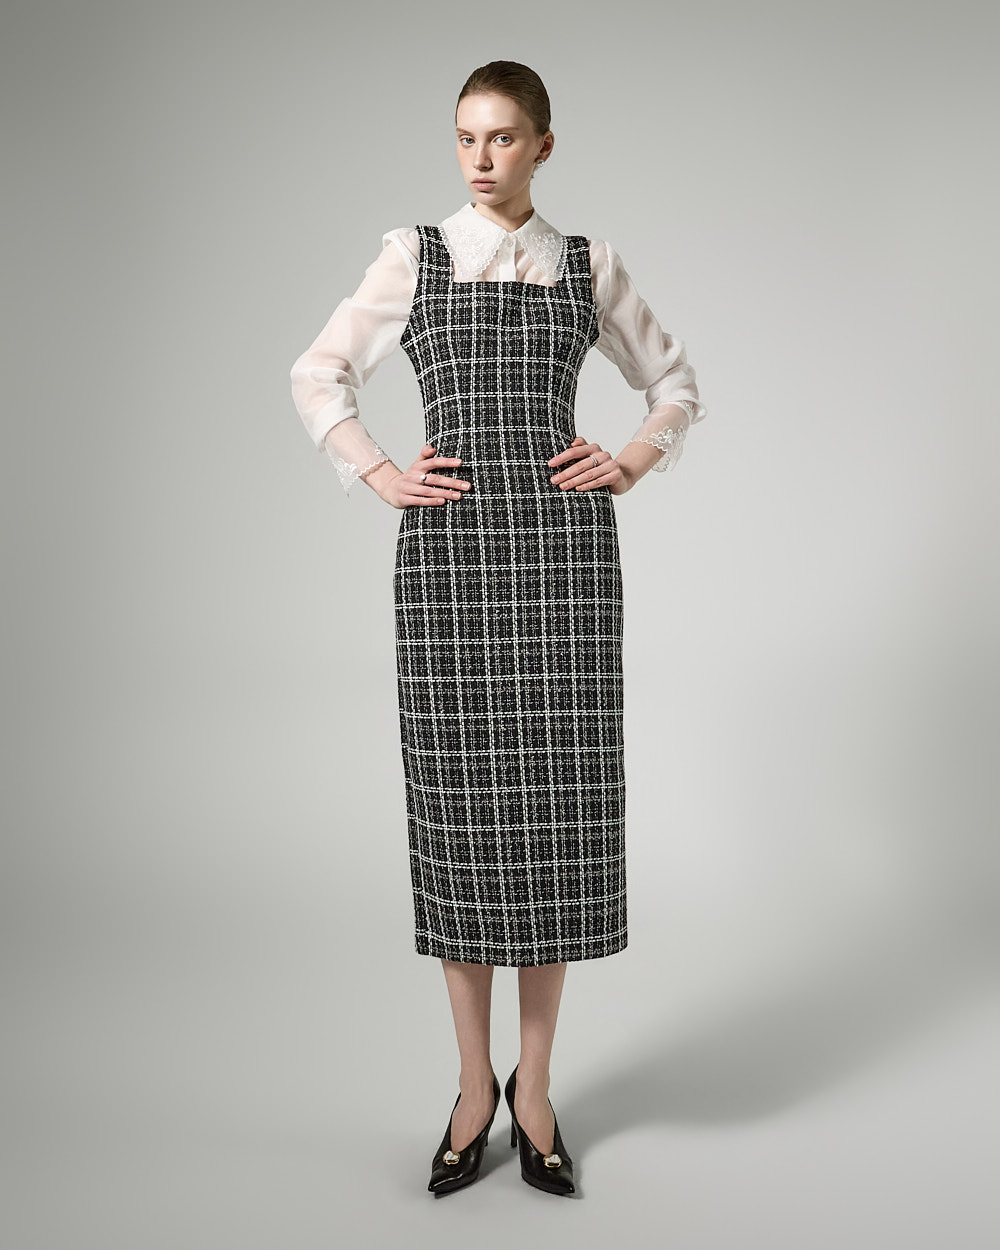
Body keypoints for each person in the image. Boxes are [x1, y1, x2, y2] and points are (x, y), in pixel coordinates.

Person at [289, 60, 706, 1198]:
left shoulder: (588, 264)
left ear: (543, 146)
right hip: (451, 562)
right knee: (465, 816)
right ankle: (473, 1084)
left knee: (555, 816)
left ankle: (536, 1086)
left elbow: (674, 383)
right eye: (466, 137)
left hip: (565, 564)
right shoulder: (413, 256)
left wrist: (631, 458)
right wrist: (378, 469)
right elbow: (318, 372)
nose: (481, 158)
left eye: (504, 137)